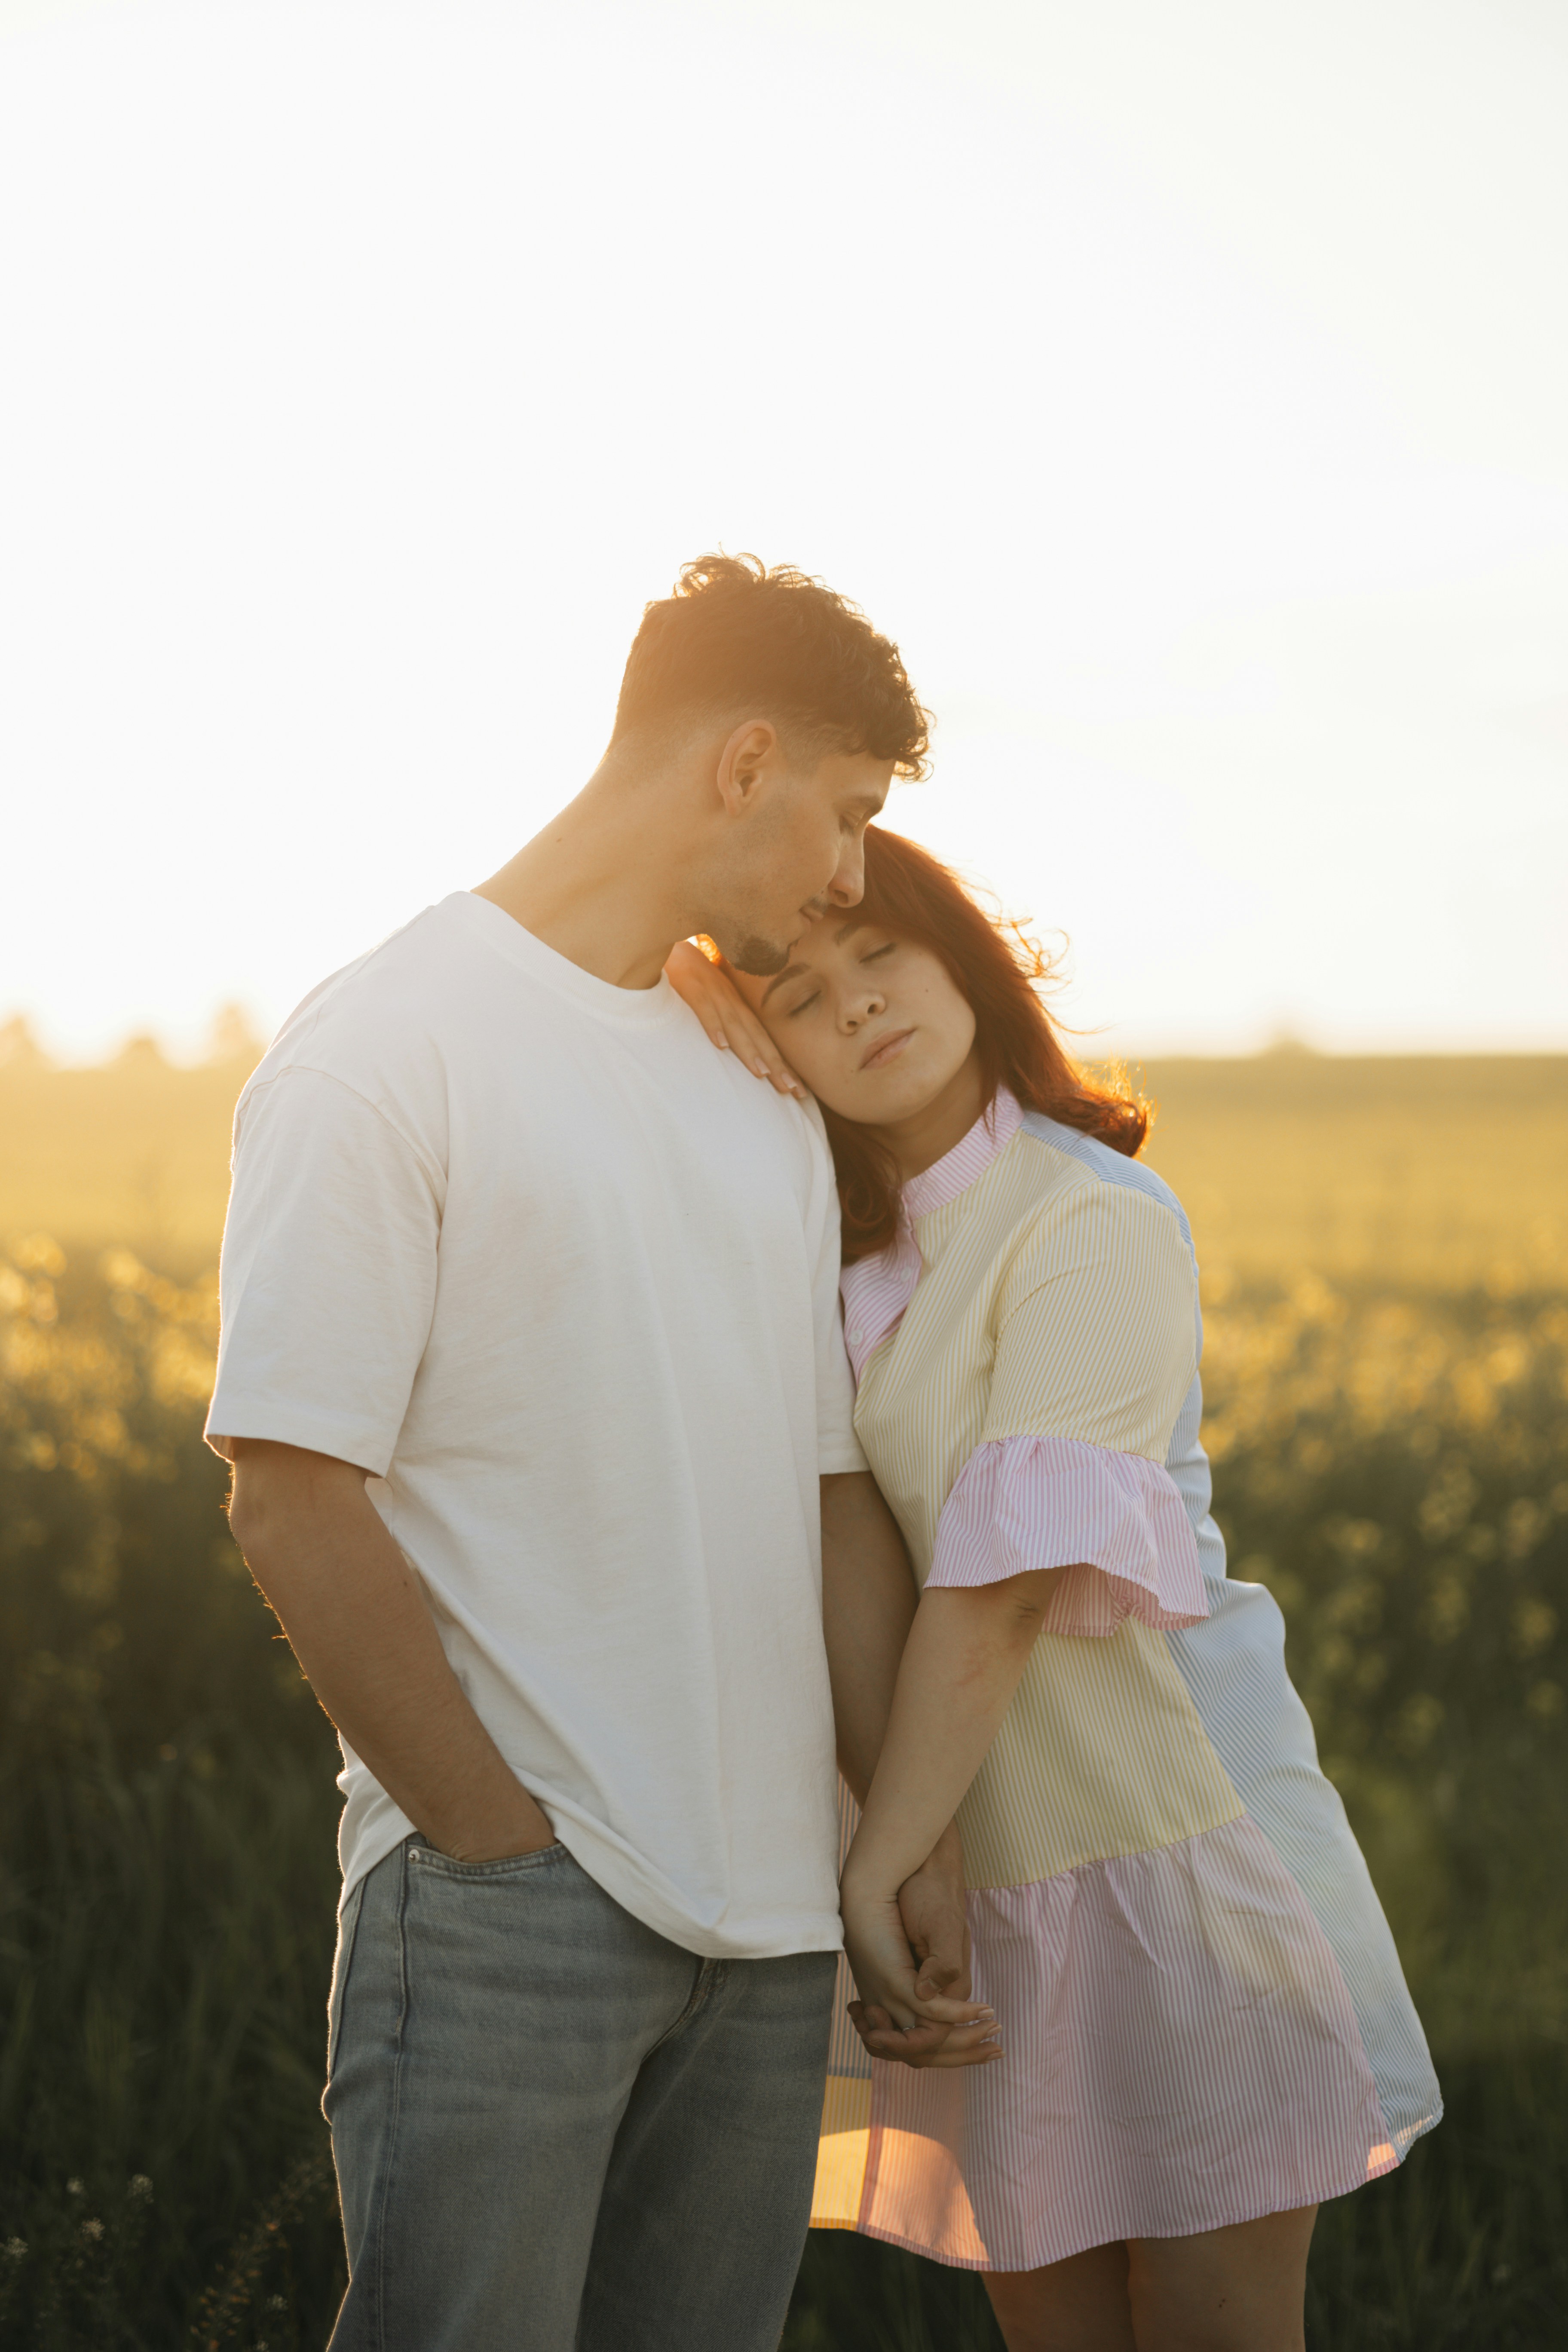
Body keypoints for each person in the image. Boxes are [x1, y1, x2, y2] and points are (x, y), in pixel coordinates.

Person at [205, 556, 994, 2352]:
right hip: (515, 1917)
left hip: (779, 1932)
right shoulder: (386, 1048)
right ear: (746, 761)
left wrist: (903, 1830)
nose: (852, 879)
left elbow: (826, 1498)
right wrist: (495, 1850)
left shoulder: (757, 1083)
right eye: (849, 817)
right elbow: (290, 1489)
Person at [669, 824, 1442, 2352]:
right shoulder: (835, 1264)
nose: (861, 1007)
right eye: (805, 999)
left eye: (882, 955)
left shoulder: (1084, 1214)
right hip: (998, 1885)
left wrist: (878, 1867)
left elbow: (1003, 1589)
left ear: (963, 957)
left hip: (1179, 1860)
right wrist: (919, 1860)